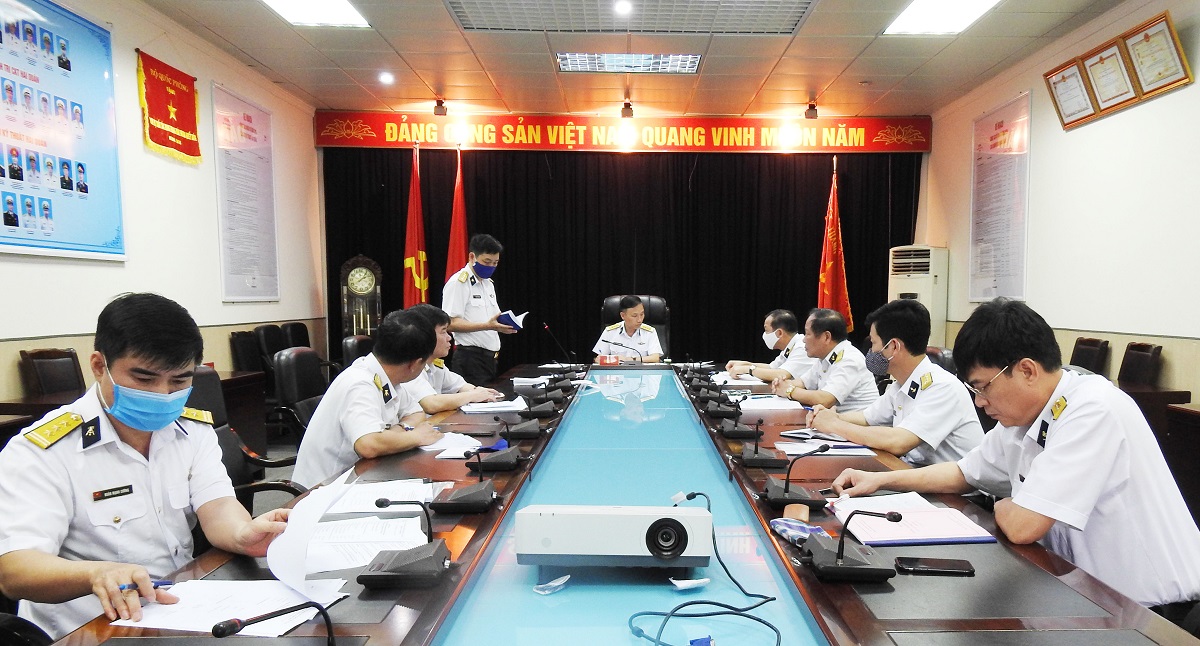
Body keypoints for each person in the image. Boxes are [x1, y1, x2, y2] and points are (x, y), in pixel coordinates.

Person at [832, 298, 1200, 614]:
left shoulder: (1092, 409)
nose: (979, 402)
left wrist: (1006, 503)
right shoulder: (1024, 415)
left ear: (1026, 370)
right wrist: (881, 479)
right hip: (1081, 590)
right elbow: (963, 472)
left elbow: (1024, 526)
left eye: (983, 388)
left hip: (1149, 609)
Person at [0, 293, 290, 640]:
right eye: (144, 379)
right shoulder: (43, 451)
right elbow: (15, 569)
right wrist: (95, 575)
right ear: (99, 366)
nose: (162, 395)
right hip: (89, 630)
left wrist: (242, 534)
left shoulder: (190, 430)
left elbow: (216, 505)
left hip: (180, 610)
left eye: (179, 381)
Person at [806, 299, 982, 466]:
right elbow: (867, 418)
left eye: (874, 343)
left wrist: (835, 425)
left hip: (950, 487)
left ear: (894, 347)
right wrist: (830, 416)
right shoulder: (901, 384)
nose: (871, 351)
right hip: (913, 473)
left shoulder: (943, 387)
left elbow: (898, 441)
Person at [292, 309, 443, 488]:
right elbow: (369, 445)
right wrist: (416, 437)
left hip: (361, 475)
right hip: (326, 488)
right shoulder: (359, 384)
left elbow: (416, 413)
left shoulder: (386, 376)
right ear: (415, 364)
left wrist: (398, 431)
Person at [401, 303, 503, 415]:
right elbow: (431, 404)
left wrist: (479, 391)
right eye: (443, 331)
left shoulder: (435, 365)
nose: (449, 338)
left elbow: (460, 386)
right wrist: (473, 395)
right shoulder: (410, 366)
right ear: (426, 335)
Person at [441, 233, 515, 386]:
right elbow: (450, 323)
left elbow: (491, 318)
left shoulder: (488, 283)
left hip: (490, 359)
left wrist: (504, 324)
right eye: (487, 262)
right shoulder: (459, 282)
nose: (491, 267)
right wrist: (487, 326)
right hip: (470, 359)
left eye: (495, 263)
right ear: (472, 257)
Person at [771, 308, 879, 412]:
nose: (803, 340)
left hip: (855, 422)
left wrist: (789, 390)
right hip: (835, 420)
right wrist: (782, 384)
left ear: (826, 337)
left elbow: (825, 399)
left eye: (808, 334)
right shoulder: (825, 357)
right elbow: (804, 382)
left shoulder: (850, 359)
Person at [725, 309, 814, 382]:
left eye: (766, 330)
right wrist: (746, 364)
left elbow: (782, 374)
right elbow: (772, 368)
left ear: (779, 333)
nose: (764, 334)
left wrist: (749, 369)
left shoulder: (802, 347)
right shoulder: (790, 346)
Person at [592, 295, 663, 363]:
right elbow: (598, 359)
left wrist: (629, 359)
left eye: (642, 314)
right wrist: (610, 360)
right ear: (623, 316)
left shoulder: (649, 332)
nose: (639, 320)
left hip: (642, 371)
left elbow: (655, 358)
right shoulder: (610, 332)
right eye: (634, 316)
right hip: (617, 371)